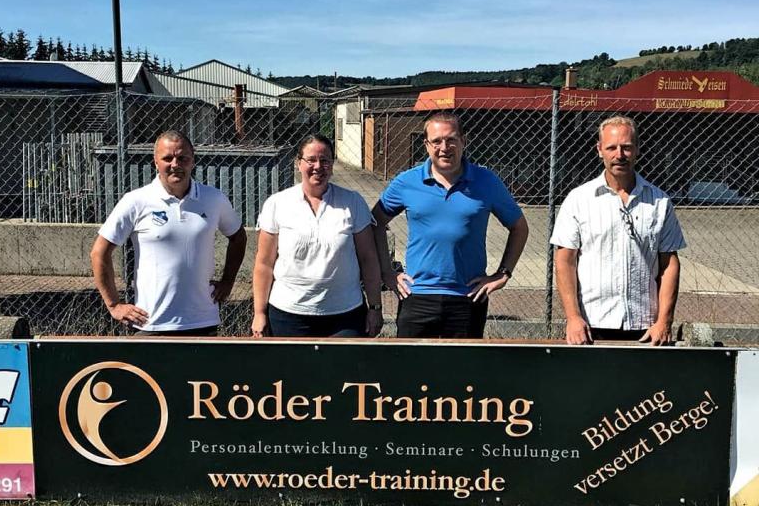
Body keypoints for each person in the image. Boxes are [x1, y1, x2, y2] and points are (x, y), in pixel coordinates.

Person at [372, 111, 529, 338]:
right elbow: (375, 223)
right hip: (416, 295)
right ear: (426, 145)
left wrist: (503, 273)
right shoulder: (407, 182)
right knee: (409, 370)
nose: (444, 147)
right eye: (436, 141)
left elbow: (519, 228)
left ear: (463, 141)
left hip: (468, 296)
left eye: (451, 139)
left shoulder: (486, 181)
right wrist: (386, 272)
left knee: (463, 372)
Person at [91, 130, 247, 335]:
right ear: (156, 162)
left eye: (183, 158)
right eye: (167, 158)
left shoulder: (213, 198)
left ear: (193, 161)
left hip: (202, 321)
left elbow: (238, 238)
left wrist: (228, 281)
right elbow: (99, 253)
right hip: (151, 323)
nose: (175, 164)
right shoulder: (136, 201)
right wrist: (114, 305)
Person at [550, 115, 686, 346]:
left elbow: (669, 264)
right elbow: (565, 261)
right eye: (611, 147)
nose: (619, 155)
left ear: (638, 150)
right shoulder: (579, 199)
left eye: (626, 147)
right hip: (591, 324)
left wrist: (664, 321)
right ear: (599, 150)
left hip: (645, 326)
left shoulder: (659, 202)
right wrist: (573, 318)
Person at [251, 134, 383, 338]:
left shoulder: (352, 202)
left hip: (345, 315)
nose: (318, 166)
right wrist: (259, 312)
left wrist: (374, 307)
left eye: (325, 160)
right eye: (311, 160)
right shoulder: (277, 204)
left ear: (332, 164)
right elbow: (264, 263)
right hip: (288, 314)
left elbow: (368, 258)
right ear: (298, 163)